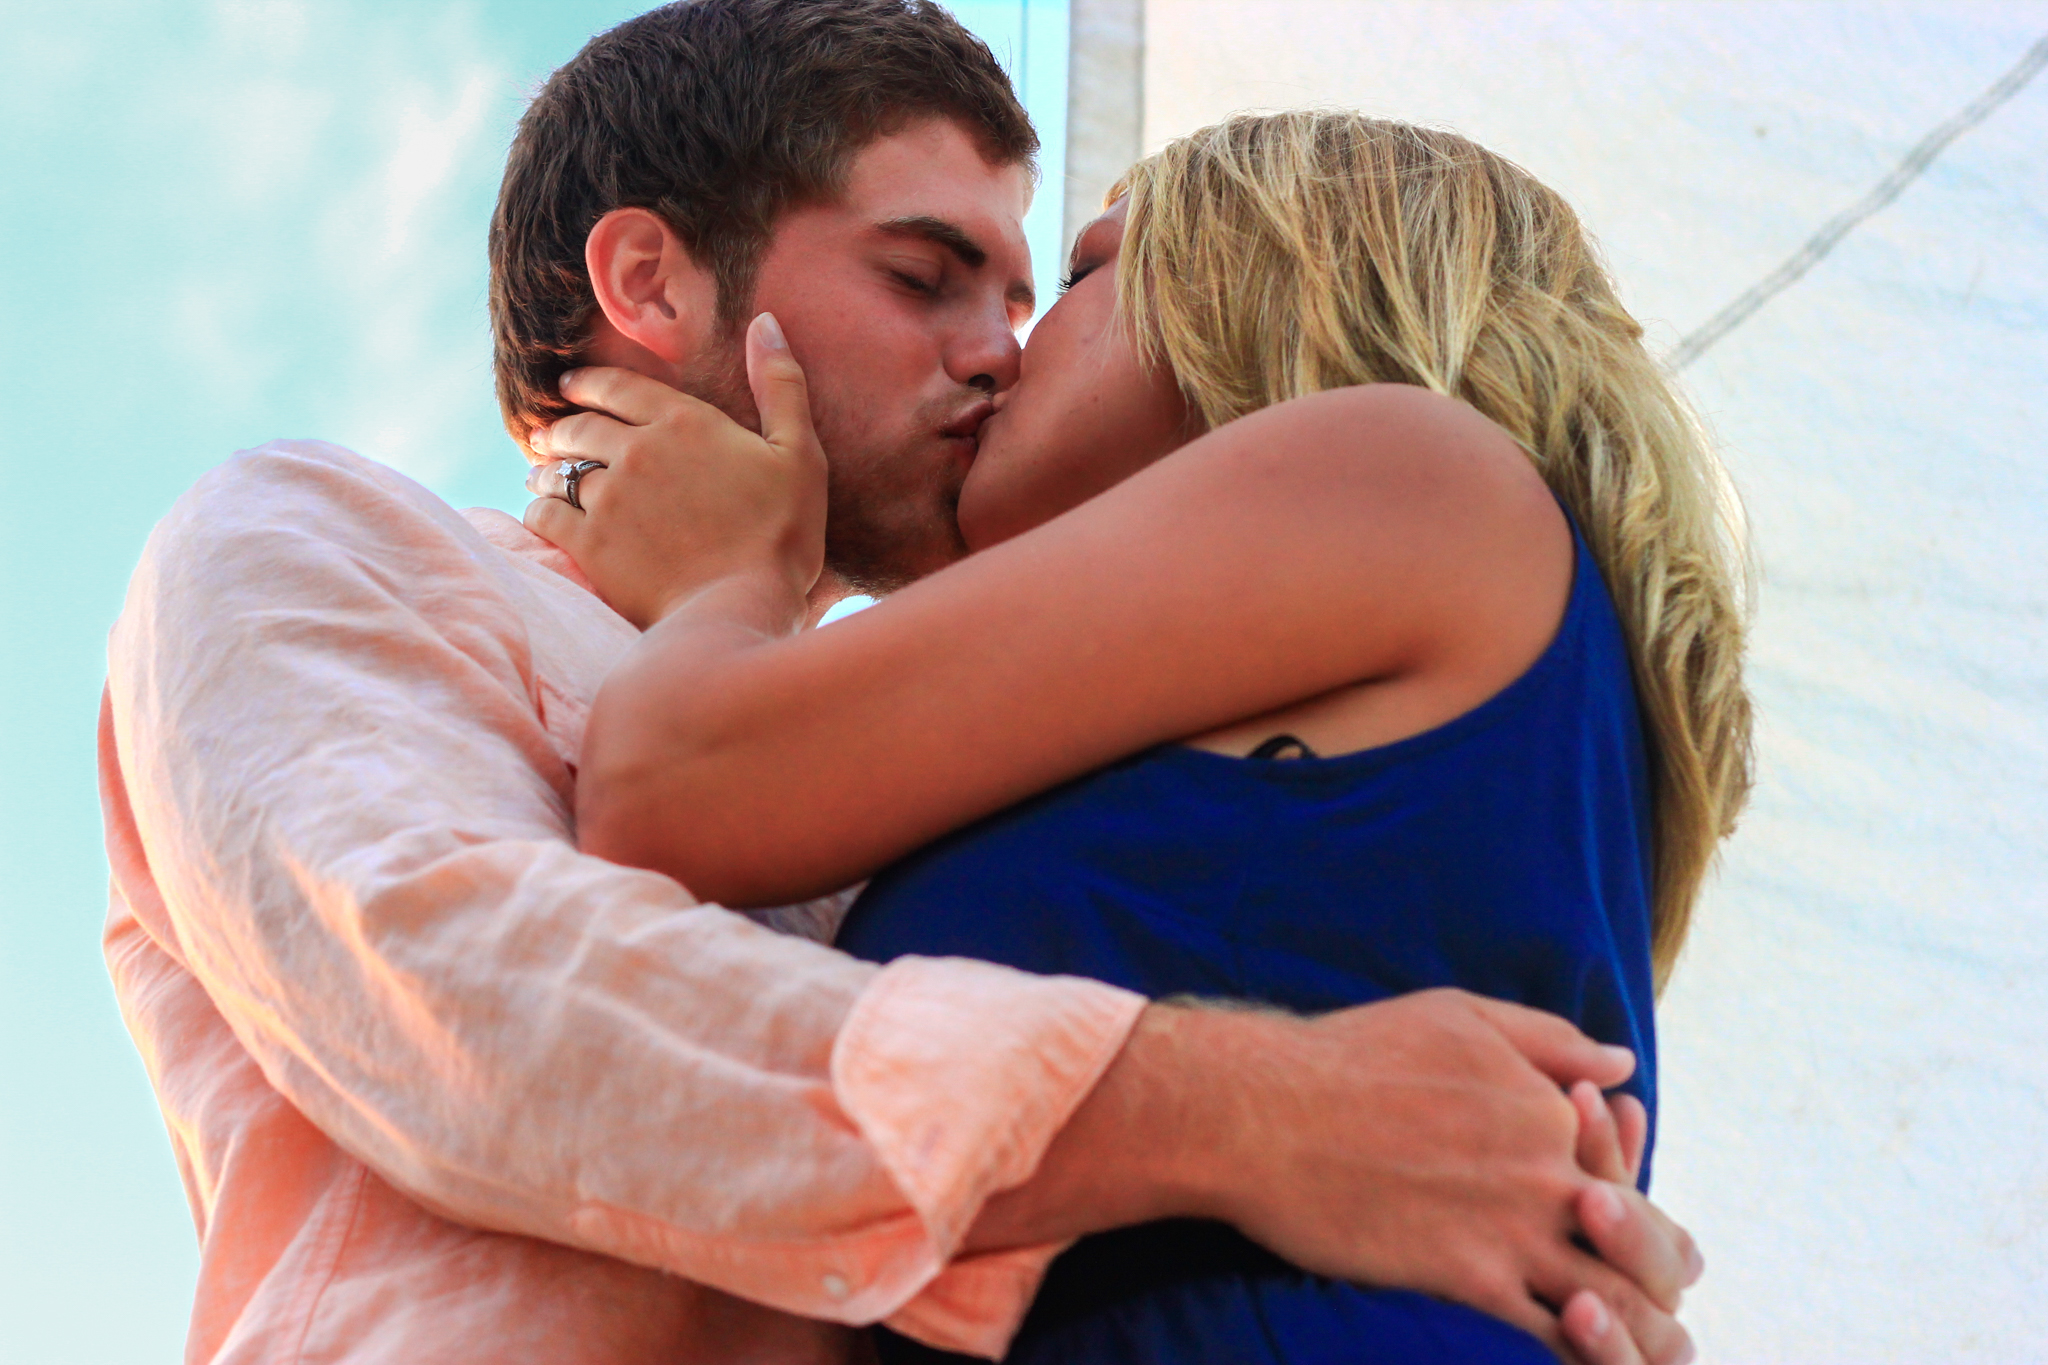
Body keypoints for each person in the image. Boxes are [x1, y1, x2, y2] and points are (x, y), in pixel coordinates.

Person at [99, 4, 1697, 1364]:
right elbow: (464, 1000)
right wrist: (1250, 1112)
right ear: (650, 284)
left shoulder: (932, 748)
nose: (1000, 350)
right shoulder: (320, 540)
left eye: (1032, 293)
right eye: (928, 276)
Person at [526, 109, 1752, 1364]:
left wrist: (732, 577)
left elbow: (668, 786)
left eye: (1075, 276)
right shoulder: (1440, 650)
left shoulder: (1407, 474)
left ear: (1267, 273)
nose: (1006, 352)